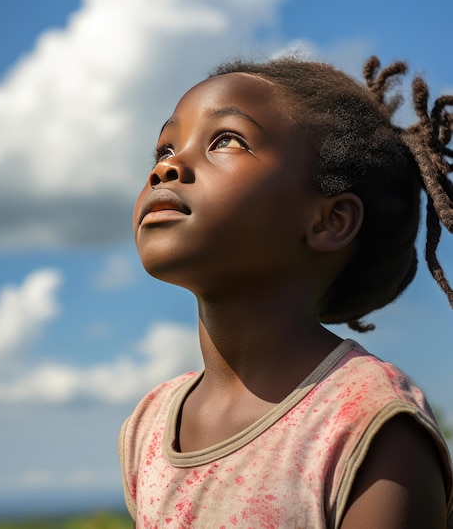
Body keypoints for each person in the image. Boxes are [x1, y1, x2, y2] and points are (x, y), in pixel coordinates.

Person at [119, 55, 453, 528]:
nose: (168, 169)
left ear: (328, 220)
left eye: (226, 140)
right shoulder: (149, 426)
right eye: (164, 149)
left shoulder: (367, 422)